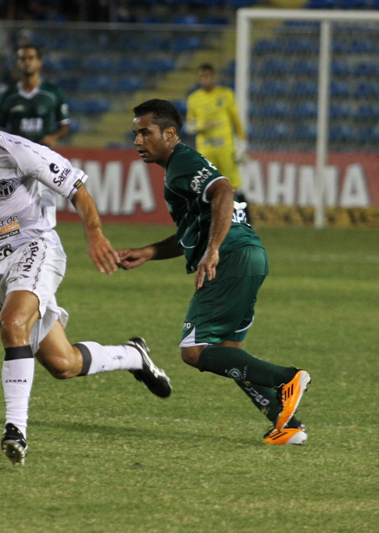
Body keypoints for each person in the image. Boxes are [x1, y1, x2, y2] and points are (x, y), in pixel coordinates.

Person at [0, 89, 171, 465]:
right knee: (62, 363)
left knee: (12, 324)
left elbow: (77, 189)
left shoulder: (20, 152)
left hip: (35, 248)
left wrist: (95, 235)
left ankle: (16, 431)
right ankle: (133, 355)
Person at [119, 99, 310, 445]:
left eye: (146, 133)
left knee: (194, 350)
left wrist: (213, 250)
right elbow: (193, 232)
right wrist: (148, 252)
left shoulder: (182, 162)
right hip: (250, 253)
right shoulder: (180, 169)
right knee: (227, 349)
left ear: (170, 134)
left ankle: (287, 378)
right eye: (136, 134)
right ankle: (287, 425)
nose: (138, 141)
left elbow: (224, 190)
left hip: (231, 256)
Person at [185, 63, 250, 220]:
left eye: (207, 76)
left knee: (233, 185)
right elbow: (189, 126)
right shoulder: (194, 99)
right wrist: (202, 125)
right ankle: (204, 222)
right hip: (205, 150)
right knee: (204, 186)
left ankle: (245, 221)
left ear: (214, 77)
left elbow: (235, 120)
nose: (205, 80)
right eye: (201, 77)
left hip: (225, 148)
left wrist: (242, 142)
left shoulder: (226, 94)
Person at [0, 43, 70, 148]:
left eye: (31, 58)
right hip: (17, 151)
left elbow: (64, 125)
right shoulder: (8, 95)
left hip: (43, 151)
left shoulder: (53, 92)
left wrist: (53, 137)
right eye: (22, 59)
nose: (26, 62)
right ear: (17, 63)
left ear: (39, 63)